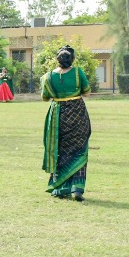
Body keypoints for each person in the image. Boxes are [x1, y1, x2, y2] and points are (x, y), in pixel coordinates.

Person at [40, 47, 92, 202]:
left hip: (58, 117)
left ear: (57, 60)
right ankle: (77, 189)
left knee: (60, 151)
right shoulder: (78, 73)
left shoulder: (48, 77)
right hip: (78, 115)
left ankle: (61, 188)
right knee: (80, 149)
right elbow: (87, 92)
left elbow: (45, 97)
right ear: (72, 60)